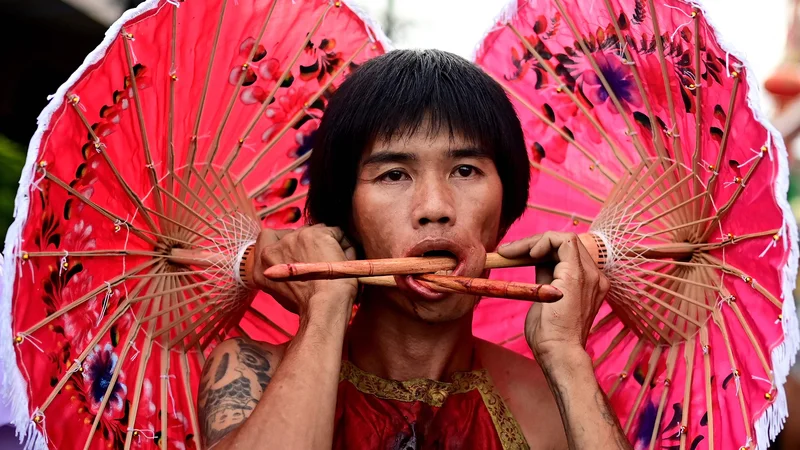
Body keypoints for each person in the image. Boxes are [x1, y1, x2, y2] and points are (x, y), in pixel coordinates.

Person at [197, 49, 630, 450]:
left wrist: (566, 355)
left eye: (465, 170)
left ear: (503, 216)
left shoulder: (554, 401)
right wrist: (325, 306)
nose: (435, 209)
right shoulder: (250, 372)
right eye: (393, 175)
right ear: (346, 215)